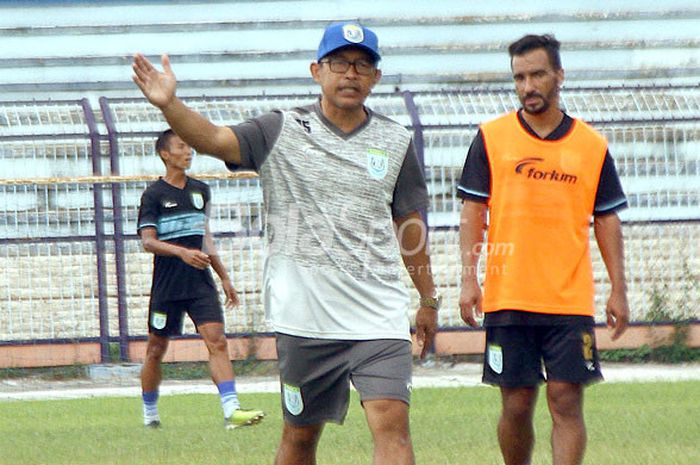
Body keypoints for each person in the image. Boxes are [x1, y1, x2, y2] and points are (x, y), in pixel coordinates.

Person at [132, 21, 439, 465]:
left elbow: (410, 227)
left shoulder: (395, 141)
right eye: (339, 63)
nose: (350, 74)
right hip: (304, 319)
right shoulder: (280, 129)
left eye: (362, 65)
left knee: (393, 427)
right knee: (299, 440)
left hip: (379, 317)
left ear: (376, 77)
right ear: (317, 70)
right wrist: (170, 106)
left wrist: (427, 298)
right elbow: (215, 139)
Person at [458, 34, 630, 465]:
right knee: (516, 404)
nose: (528, 86)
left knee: (566, 399)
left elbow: (607, 218)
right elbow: (473, 212)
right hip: (508, 295)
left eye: (537, 74)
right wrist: (468, 278)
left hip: (568, 298)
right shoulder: (491, 137)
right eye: (519, 77)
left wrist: (618, 288)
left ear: (559, 75)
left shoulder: (591, 146)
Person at [136, 129, 265, 430]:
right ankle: (149, 411)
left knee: (217, 341)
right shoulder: (153, 195)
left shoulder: (200, 191)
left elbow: (205, 239)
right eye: (181, 146)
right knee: (156, 350)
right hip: (167, 286)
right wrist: (181, 253)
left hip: (200, 282)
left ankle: (231, 411)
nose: (189, 151)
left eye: (190, 146)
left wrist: (224, 278)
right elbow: (148, 241)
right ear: (165, 154)